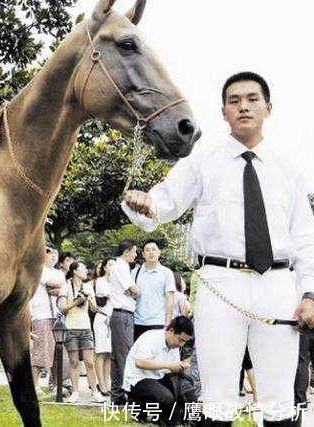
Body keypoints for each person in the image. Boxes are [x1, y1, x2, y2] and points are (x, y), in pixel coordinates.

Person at [122, 71, 314, 425]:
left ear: (268, 108)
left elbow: (305, 237)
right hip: (220, 283)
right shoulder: (202, 159)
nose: (243, 106)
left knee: (279, 396)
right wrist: (143, 204)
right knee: (217, 395)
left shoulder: (289, 168)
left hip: (277, 284)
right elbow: (164, 201)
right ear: (223, 112)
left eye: (252, 99)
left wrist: (309, 294)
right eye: (234, 100)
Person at [123, 316, 194, 425]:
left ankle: (181, 421)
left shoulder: (174, 347)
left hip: (159, 379)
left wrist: (181, 367)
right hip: (139, 380)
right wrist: (169, 365)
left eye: (184, 342)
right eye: (180, 340)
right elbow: (140, 362)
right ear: (171, 331)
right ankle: (140, 409)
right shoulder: (151, 338)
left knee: (186, 389)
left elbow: (171, 372)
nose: (181, 344)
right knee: (166, 398)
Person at [58, 261, 104, 403]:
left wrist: (91, 301)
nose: (86, 271)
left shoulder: (88, 286)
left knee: (89, 362)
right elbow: (62, 308)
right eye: (83, 269)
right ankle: (76, 392)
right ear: (75, 271)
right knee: (73, 362)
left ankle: (95, 392)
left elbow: (94, 309)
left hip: (86, 328)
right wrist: (76, 302)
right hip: (71, 328)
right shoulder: (65, 287)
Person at [108, 239, 141, 405]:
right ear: (127, 251)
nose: (135, 255)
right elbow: (133, 289)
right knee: (124, 356)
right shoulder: (121, 266)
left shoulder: (119, 266)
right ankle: (122, 396)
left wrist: (131, 291)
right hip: (122, 315)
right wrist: (136, 291)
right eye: (134, 251)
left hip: (121, 315)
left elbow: (129, 290)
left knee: (117, 357)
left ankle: (117, 396)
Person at [30, 247, 65, 396]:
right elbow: (53, 285)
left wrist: (59, 287)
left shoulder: (58, 272)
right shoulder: (39, 270)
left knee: (57, 352)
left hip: (57, 315)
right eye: (50, 254)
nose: (53, 257)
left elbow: (61, 288)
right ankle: (35, 385)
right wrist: (59, 287)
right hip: (40, 314)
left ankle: (55, 384)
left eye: (55, 255)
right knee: (40, 350)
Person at [132, 240, 176, 341]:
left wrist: (168, 324)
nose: (151, 252)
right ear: (143, 254)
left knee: (156, 355)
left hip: (158, 322)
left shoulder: (167, 273)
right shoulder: (135, 273)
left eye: (153, 249)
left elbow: (170, 299)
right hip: (138, 322)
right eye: (147, 250)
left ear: (159, 252)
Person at [92, 258, 115, 396]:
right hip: (102, 319)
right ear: (105, 268)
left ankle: (107, 383)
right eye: (110, 264)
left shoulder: (116, 282)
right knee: (100, 352)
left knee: (109, 354)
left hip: (112, 321)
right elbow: (108, 294)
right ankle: (101, 383)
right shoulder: (100, 281)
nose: (113, 267)